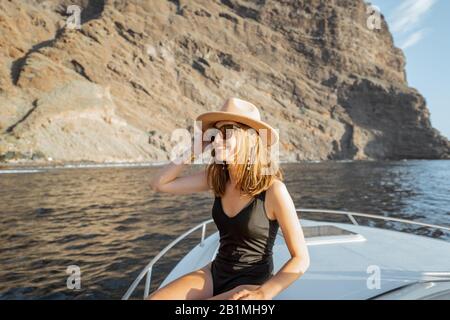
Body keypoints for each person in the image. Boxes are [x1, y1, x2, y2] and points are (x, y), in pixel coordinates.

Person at [147, 97, 310, 300]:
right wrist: (195, 148)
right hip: (215, 272)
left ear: (251, 139)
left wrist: (263, 293)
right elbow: (159, 184)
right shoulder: (216, 179)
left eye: (226, 133)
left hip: (252, 281)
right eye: (215, 133)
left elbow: (301, 258)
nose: (216, 140)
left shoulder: (273, 190)